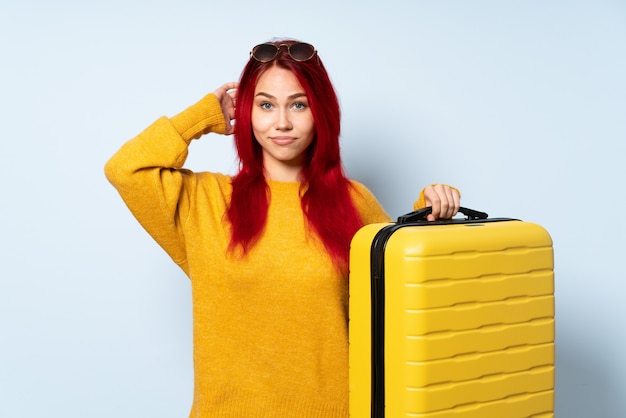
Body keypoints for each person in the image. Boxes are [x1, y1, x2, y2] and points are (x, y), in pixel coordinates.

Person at [105, 39, 460, 417]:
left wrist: (430, 215)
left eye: (298, 104)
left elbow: (400, 297)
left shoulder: (354, 201)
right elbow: (125, 169)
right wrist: (204, 116)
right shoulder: (203, 202)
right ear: (247, 112)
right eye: (265, 105)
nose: (282, 123)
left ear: (319, 112)